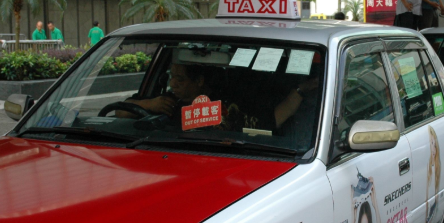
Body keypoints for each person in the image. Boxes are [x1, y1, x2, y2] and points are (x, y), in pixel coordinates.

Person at [122, 63, 317, 131]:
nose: (173, 84)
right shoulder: (165, 102)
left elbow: (274, 118)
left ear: (199, 81)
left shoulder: (226, 106)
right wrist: (149, 104)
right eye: (172, 77)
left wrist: (300, 89)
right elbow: (120, 112)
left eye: (180, 79)